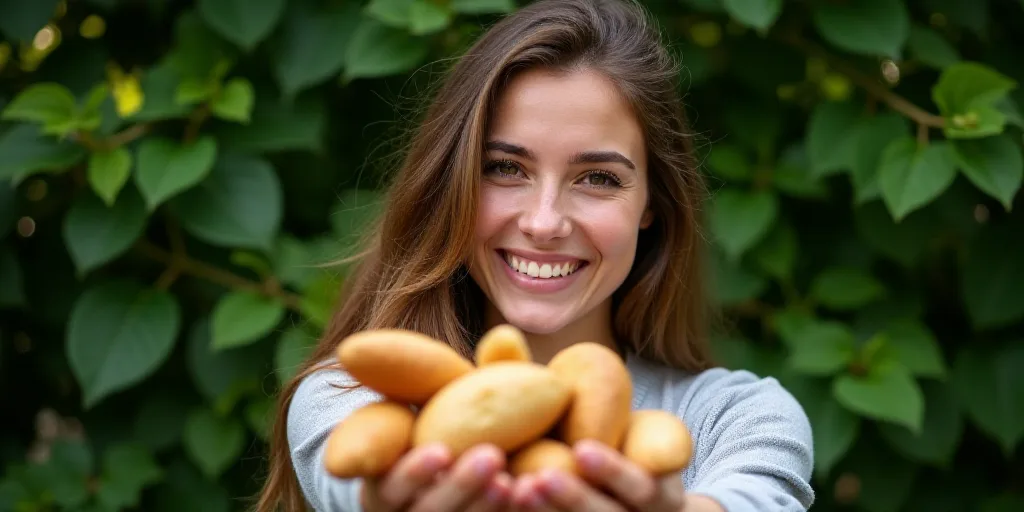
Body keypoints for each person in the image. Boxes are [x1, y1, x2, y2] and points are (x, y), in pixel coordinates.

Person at [255, 0, 815, 510]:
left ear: (653, 203)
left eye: (597, 177)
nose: (544, 222)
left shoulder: (735, 419)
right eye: (504, 168)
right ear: (452, 185)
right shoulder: (356, 397)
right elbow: (352, 482)